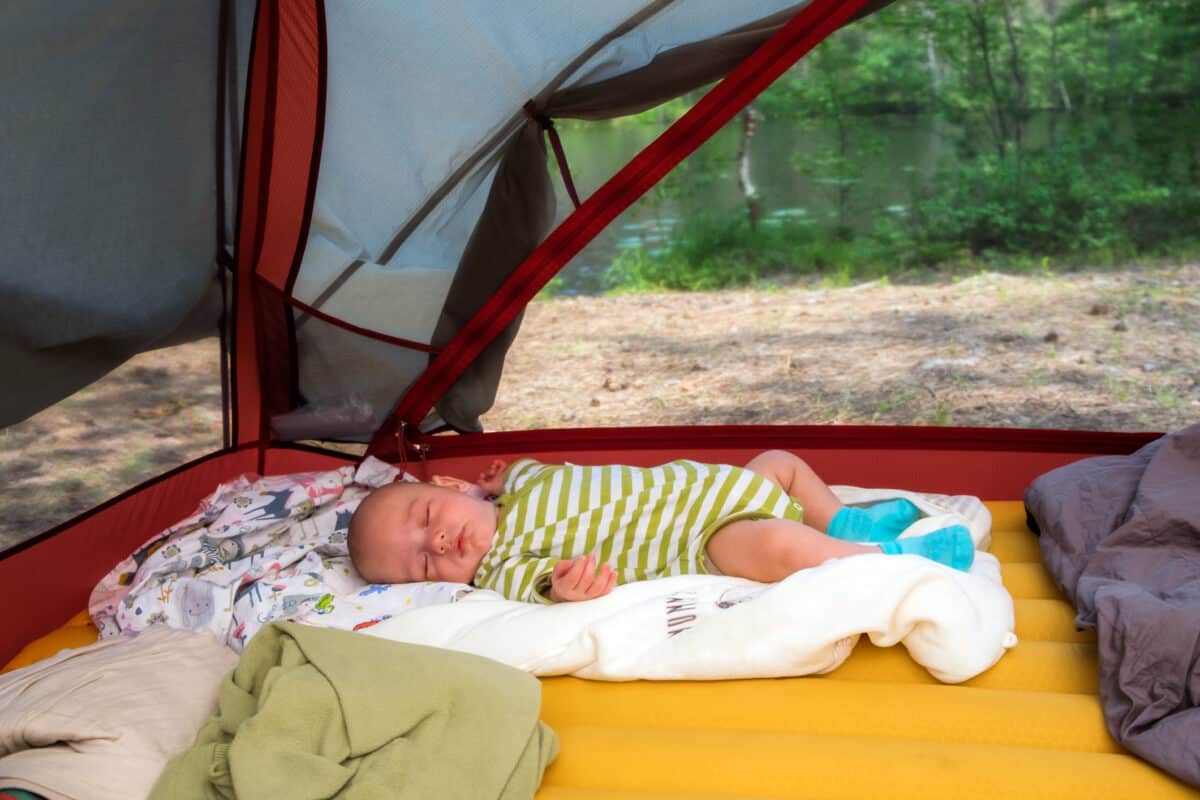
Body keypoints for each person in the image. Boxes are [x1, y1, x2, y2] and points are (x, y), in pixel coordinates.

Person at [348, 450, 975, 604]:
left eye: (427, 517)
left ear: (454, 488)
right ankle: (886, 554)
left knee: (782, 465)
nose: (434, 542)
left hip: (723, 486)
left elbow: (534, 469)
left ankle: (843, 517)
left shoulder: (523, 484)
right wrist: (561, 587)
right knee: (780, 546)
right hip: (704, 539)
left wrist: (505, 474)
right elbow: (536, 584)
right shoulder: (502, 563)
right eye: (424, 564)